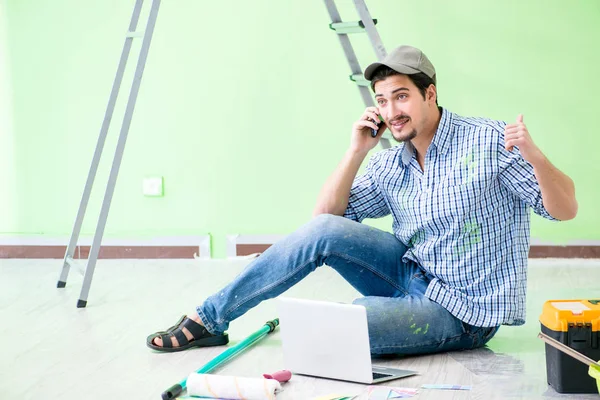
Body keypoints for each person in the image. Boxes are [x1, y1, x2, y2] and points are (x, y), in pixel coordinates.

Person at [147, 45, 578, 355]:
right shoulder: (391, 161)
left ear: (430, 93)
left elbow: (564, 209)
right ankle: (209, 318)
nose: (392, 112)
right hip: (409, 276)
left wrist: (535, 156)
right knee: (324, 238)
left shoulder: (488, 141)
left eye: (402, 96)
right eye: (383, 101)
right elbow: (322, 223)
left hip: (463, 311)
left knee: (341, 326)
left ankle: (358, 321)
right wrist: (355, 152)